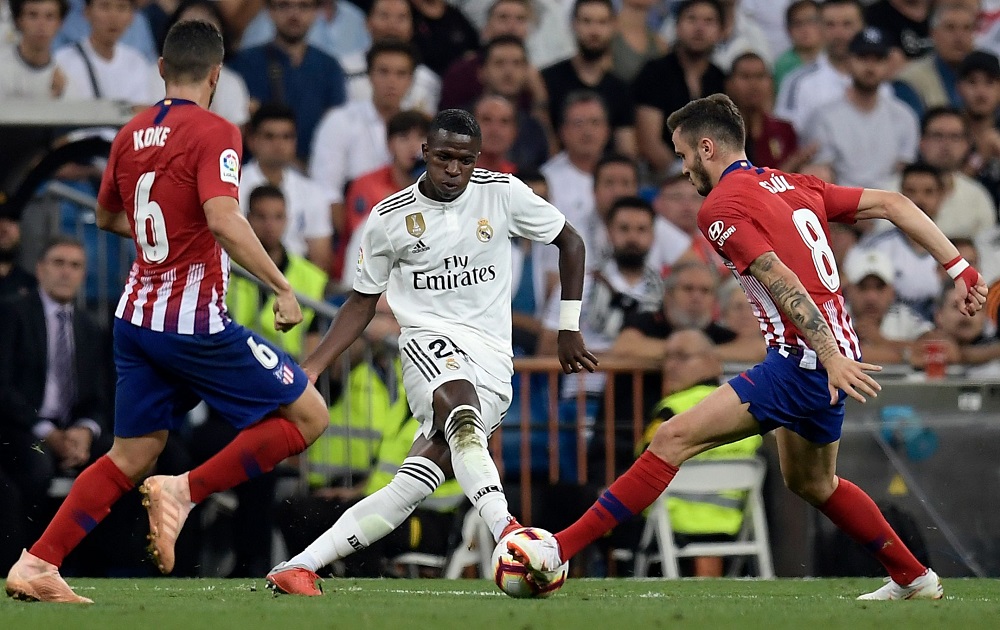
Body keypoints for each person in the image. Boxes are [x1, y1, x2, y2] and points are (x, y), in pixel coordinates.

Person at [510, 93, 988, 600]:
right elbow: (894, 204)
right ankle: (914, 577)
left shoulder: (721, 205)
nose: (683, 165)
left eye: (683, 154)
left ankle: (556, 550)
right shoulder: (794, 185)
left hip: (804, 359)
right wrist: (960, 268)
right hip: (826, 352)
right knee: (812, 483)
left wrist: (825, 356)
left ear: (708, 148)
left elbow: (778, 277)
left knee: (670, 439)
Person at [4, 20, 331, 604]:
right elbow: (225, 217)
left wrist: (173, 226)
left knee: (131, 453)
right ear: (217, 74)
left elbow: (107, 218)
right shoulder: (216, 130)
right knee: (310, 416)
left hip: (136, 320)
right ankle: (185, 490)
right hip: (193, 323)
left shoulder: (129, 133)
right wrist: (281, 284)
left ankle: (37, 561)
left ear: (160, 69)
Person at [264, 108, 595, 596]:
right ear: (425, 152)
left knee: (409, 487)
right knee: (458, 406)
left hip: (493, 359)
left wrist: (568, 326)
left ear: (477, 158)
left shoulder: (501, 193)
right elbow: (361, 302)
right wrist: (313, 366)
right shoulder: (389, 218)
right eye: (443, 157)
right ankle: (510, 533)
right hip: (427, 342)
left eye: (464, 159)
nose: (453, 169)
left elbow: (571, 241)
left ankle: (298, 566)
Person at [0, 237, 111, 548]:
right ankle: (30, 557)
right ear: (40, 269)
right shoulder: (13, 313)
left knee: (116, 462)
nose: (66, 272)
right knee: (36, 465)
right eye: (58, 263)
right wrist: (48, 433)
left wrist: (85, 432)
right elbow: (4, 389)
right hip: (21, 427)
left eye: (75, 266)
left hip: (70, 432)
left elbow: (99, 398)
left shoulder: (91, 328)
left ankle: (97, 565)